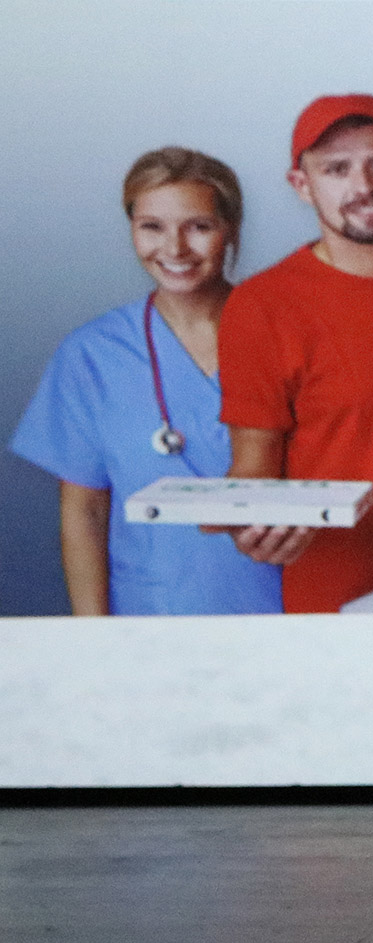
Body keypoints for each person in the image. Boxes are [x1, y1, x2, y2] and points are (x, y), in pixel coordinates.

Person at [217, 94, 373, 612]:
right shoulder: (261, 306)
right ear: (302, 185)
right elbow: (254, 466)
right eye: (336, 169)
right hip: (336, 600)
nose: (364, 187)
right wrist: (249, 520)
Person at [10, 148, 280, 615]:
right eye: (151, 227)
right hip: (153, 611)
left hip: (289, 609)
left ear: (231, 229)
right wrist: (94, 637)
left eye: (199, 227)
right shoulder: (92, 355)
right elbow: (85, 512)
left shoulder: (287, 337)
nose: (174, 250)